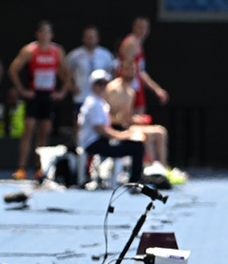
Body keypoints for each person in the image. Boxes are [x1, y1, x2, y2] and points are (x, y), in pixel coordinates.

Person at [8, 21, 74, 180]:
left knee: (44, 133)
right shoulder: (29, 50)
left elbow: (67, 72)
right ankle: (21, 168)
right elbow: (13, 69)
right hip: (34, 95)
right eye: (42, 32)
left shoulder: (56, 51)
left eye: (48, 32)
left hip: (48, 96)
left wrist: (62, 92)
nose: (45, 35)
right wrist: (22, 90)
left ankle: (39, 168)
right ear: (37, 34)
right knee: (28, 131)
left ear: (51, 35)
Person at [105, 58, 176, 180]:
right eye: (127, 69)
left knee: (160, 131)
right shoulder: (114, 89)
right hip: (116, 129)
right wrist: (132, 121)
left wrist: (136, 119)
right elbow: (109, 118)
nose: (130, 72)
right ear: (121, 70)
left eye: (133, 69)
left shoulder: (131, 90)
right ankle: (149, 170)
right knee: (144, 136)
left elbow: (127, 116)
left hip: (129, 126)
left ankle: (162, 168)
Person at [78, 69, 145, 184]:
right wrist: (123, 136)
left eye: (104, 84)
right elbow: (101, 130)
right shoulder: (93, 103)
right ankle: (134, 183)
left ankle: (134, 180)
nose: (102, 87)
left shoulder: (100, 102)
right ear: (92, 85)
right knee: (137, 147)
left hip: (100, 140)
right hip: (93, 143)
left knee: (137, 144)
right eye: (99, 83)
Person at [64, 25, 116, 130]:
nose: (90, 39)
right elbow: (63, 70)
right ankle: (78, 144)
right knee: (78, 124)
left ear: (97, 38)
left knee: (100, 123)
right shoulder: (75, 54)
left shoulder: (105, 55)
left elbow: (113, 72)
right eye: (88, 37)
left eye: (92, 37)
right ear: (83, 38)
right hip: (81, 96)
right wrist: (70, 86)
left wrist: (108, 88)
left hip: (100, 97)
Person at [119, 16, 170, 115]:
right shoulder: (131, 43)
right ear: (134, 27)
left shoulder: (139, 44)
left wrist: (156, 89)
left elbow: (140, 71)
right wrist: (126, 93)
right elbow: (126, 69)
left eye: (145, 27)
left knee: (141, 117)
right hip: (129, 87)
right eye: (140, 27)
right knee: (134, 119)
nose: (143, 30)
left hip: (136, 86)